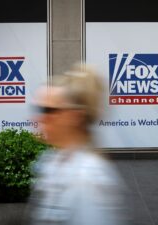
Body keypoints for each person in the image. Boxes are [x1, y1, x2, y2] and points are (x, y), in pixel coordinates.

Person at [27, 64, 128, 225]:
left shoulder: (88, 179)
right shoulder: (51, 160)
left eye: (48, 110)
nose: (39, 118)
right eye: (38, 109)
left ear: (75, 116)